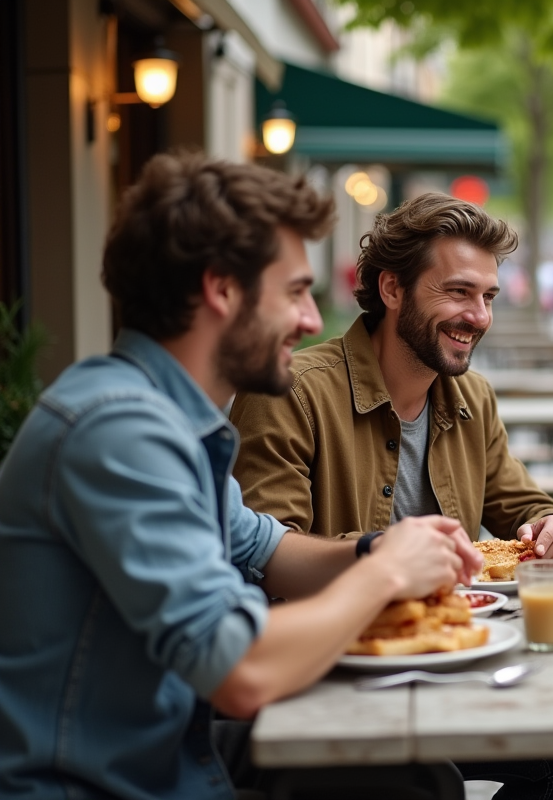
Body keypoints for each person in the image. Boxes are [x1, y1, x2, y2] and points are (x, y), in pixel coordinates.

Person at [0, 153, 483, 799]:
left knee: (416, 776)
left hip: (165, 744)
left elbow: (266, 547)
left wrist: (378, 547)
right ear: (222, 289)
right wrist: (385, 574)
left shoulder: (167, 416)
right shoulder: (118, 430)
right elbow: (242, 672)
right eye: (294, 292)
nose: (313, 320)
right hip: (96, 781)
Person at [229, 194, 553, 799]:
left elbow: (523, 502)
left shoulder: (471, 397)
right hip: (334, 676)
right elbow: (270, 562)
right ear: (392, 290)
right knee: (431, 783)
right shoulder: (292, 393)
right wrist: (389, 559)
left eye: (487, 297)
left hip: (452, 658)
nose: (479, 316)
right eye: (458, 292)